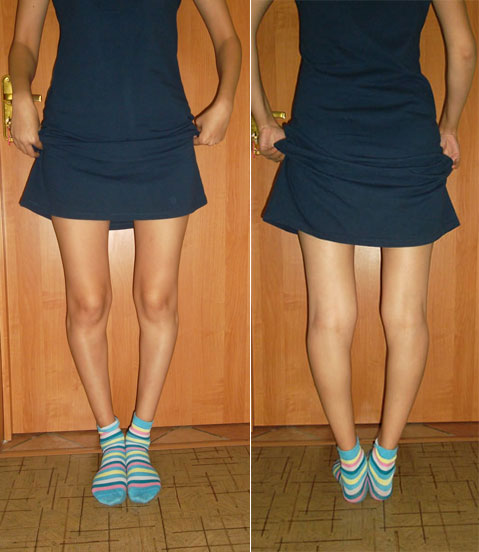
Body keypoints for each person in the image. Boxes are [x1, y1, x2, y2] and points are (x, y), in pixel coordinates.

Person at [9, 0, 241, 506]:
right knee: (87, 303)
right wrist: (21, 94)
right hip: (74, 137)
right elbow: (24, 41)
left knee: (157, 299)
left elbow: (227, 36)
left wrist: (226, 100)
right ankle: (110, 438)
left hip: (161, 137)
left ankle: (140, 438)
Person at [252, 0, 476, 503]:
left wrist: (263, 119)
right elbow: (462, 49)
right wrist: (449, 125)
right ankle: (386, 457)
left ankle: (350, 461)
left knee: (330, 316)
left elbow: (242, 24)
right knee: (406, 315)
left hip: (325, 136)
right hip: (406, 139)